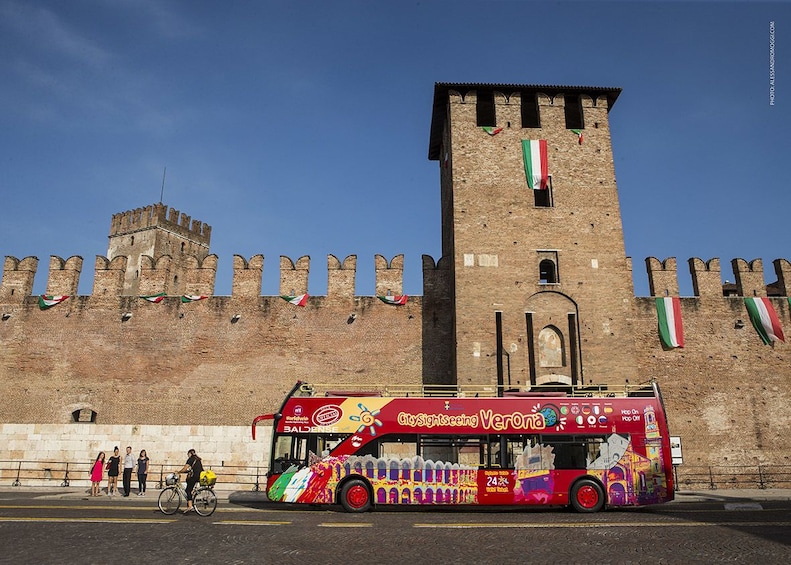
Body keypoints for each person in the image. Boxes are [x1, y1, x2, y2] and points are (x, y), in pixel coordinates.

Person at [178, 449, 204, 514]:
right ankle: (191, 500)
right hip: (199, 476)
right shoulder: (198, 459)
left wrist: (178, 472)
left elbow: (185, 468)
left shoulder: (191, 459)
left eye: (188, 454)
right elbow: (194, 469)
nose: (188, 455)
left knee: (188, 490)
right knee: (191, 489)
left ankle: (190, 506)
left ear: (190, 453)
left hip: (194, 477)